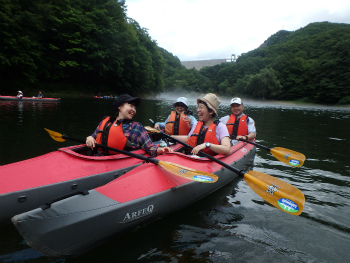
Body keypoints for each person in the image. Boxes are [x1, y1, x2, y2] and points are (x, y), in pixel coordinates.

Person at [86, 94, 173, 157]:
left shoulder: (137, 127)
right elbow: (94, 136)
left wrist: (159, 150)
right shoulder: (106, 122)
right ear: (119, 106)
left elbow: (150, 147)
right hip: (98, 160)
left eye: (135, 108)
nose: (134, 110)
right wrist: (89, 138)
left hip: (123, 163)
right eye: (131, 106)